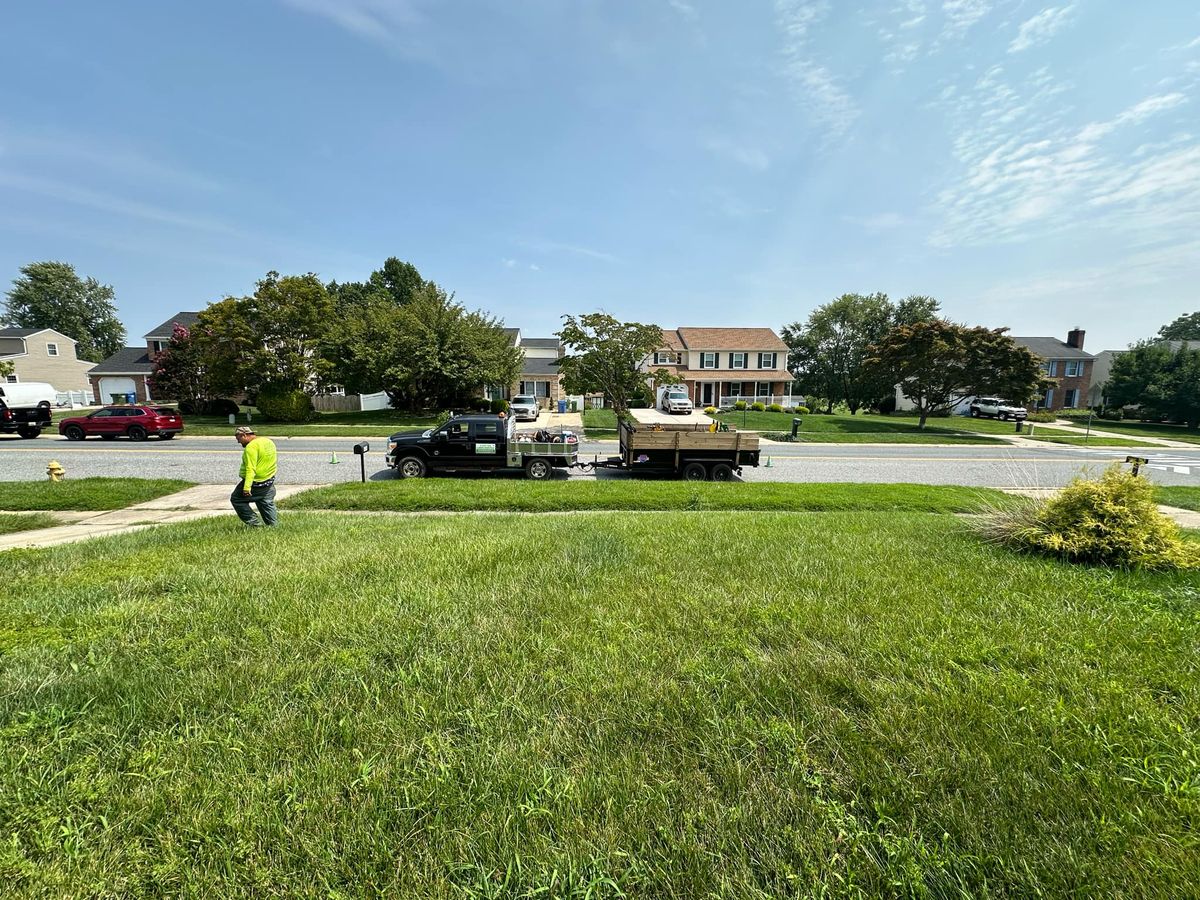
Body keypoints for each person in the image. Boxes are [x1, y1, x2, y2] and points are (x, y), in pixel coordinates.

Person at [231, 425, 278, 527]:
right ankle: (274, 527)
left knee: (236, 499)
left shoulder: (251, 447)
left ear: (244, 435)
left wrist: (247, 488)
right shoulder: (268, 442)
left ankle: (256, 525)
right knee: (265, 501)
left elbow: (250, 469)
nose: (238, 442)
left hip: (256, 483)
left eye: (238, 438)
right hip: (269, 480)